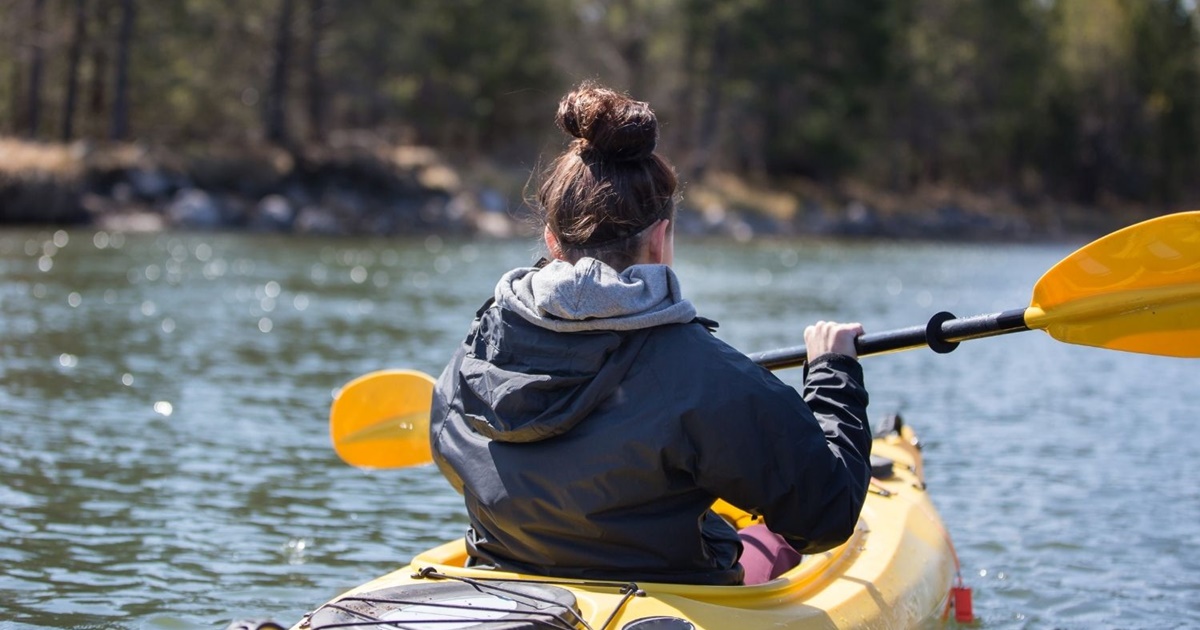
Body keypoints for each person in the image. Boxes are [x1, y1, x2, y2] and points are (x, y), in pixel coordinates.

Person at [429, 82, 871, 586]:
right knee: (768, 542)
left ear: (553, 242)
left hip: (509, 577)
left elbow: (450, 446)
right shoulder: (702, 374)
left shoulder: (478, 348)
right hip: (669, 594)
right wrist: (833, 375)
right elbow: (826, 514)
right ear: (661, 241)